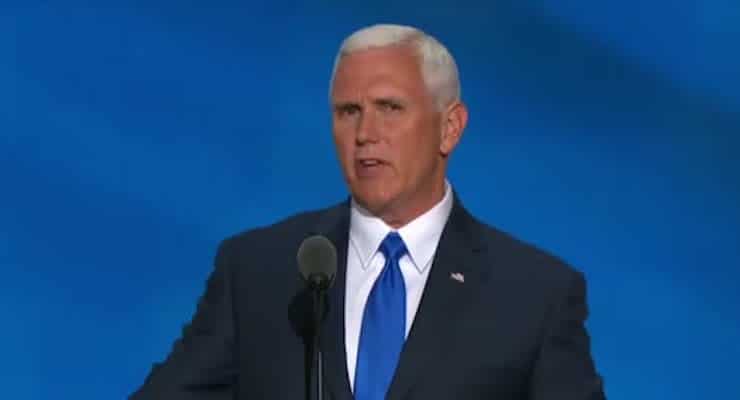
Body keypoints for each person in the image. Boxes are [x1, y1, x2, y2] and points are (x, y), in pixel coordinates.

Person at [131, 24, 605, 399]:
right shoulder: (259, 271)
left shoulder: (533, 297)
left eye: (390, 108)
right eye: (348, 111)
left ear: (450, 128)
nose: (365, 133)